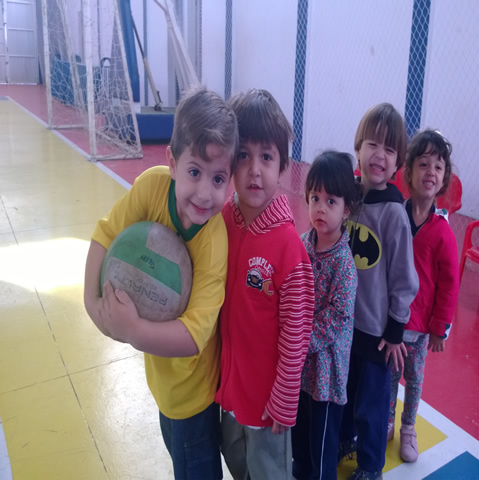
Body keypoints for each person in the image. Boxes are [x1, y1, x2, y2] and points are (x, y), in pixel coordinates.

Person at [83, 85, 238, 480]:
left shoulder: (213, 242)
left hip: (192, 396)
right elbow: (106, 234)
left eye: (219, 178)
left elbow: (194, 335)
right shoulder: (152, 187)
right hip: (162, 384)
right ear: (171, 162)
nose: (204, 193)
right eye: (194, 172)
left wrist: (133, 330)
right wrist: (92, 303)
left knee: (194, 468)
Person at [216, 88, 315, 480]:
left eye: (267, 157)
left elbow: (297, 331)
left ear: (283, 166)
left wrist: (285, 397)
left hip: (268, 403)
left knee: (268, 471)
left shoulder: (289, 248)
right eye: (243, 155)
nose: (254, 169)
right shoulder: (223, 219)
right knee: (236, 460)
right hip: (229, 390)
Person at [340, 103, 420, 480]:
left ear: (397, 162)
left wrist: (395, 329)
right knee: (342, 392)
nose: (379, 155)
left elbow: (404, 279)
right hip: (342, 324)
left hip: (375, 333)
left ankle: (371, 466)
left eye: (389, 150)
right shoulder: (347, 198)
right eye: (372, 144)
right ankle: (344, 440)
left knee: (372, 405)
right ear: (358, 148)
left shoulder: (394, 214)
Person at [388, 129, 460, 462]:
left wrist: (439, 328)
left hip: (419, 331)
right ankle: (387, 421)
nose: (431, 172)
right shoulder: (395, 216)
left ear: (443, 179)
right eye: (424, 164)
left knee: (414, 380)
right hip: (391, 322)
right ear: (409, 172)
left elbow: (449, 285)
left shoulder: (443, 232)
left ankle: (408, 428)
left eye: (438, 167)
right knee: (388, 377)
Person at [291, 151, 361, 480]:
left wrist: (296, 342)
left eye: (331, 201)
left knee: (321, 453)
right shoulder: (302, 244)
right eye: (314, 198)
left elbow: (336, 320)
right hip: (299, 372)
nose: (320, 207)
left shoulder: (344, 264)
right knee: (300, 443)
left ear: (346, 209)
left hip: (325, 377)